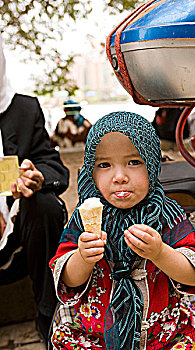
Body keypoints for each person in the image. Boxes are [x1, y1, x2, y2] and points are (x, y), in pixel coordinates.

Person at [49, 111, 195, 349]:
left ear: (153, 163)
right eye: (104, 165)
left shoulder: (168, 215)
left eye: (134, 162)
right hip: (95, 334)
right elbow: (68, 280)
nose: (120, 177)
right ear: (91, 171)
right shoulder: (86, 216)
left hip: (162, 334)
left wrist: (160, 253)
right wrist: (83, 258)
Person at [0, 34, 69, 346]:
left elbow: (54, 166)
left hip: (17, 238)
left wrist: (37, 175)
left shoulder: (24, 110)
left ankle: (50, 317)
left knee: (45, 206)